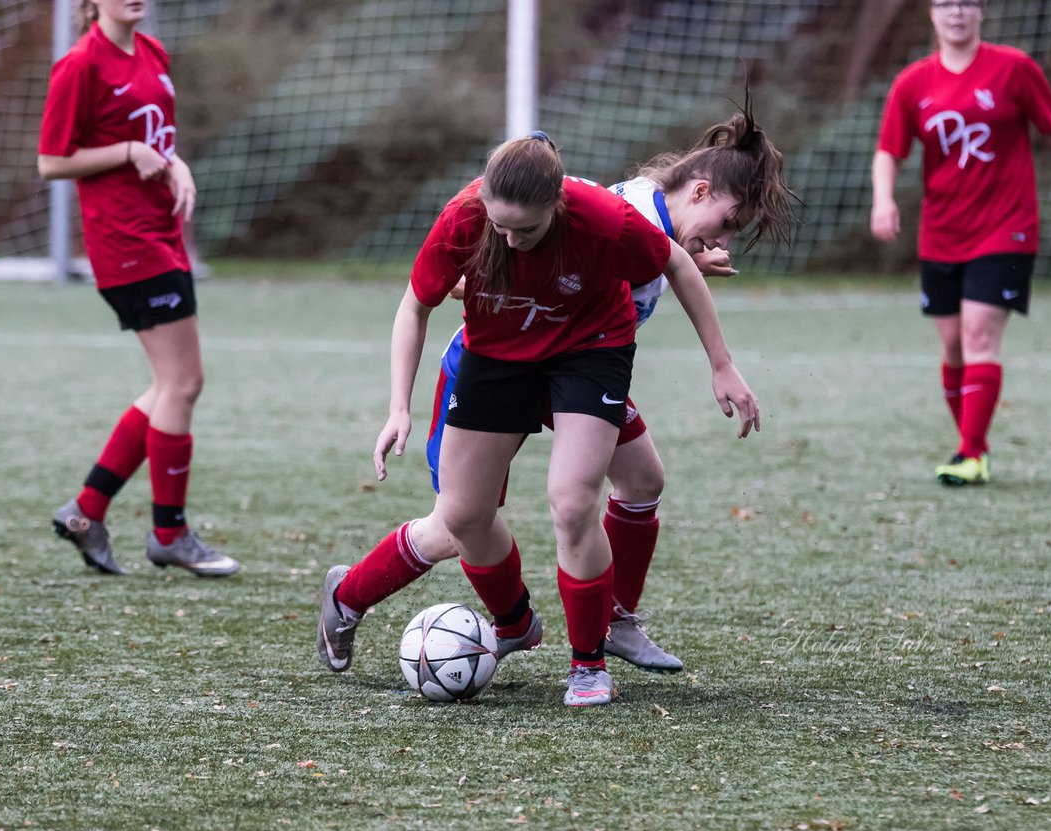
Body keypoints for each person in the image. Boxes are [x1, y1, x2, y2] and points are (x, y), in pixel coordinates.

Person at [318, 113, 795, 682]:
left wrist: (697, 280)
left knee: (639, 481)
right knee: (458, 525)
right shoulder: (620, 215)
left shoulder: (632, 210)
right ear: (698, 191)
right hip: (497, 362)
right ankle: (351, 595)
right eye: (727, 221)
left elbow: (646, 261)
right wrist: (401, 405)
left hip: (577, 364)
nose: (723, 237)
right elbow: (462, 285)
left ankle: (611, 625)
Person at [38, 0, 239, 577]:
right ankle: (169, 534)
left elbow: (158, 139)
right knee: (184, 381)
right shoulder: (80, 64)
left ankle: (85, 511)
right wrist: (129, 153)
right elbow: (51, 160)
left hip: (162, 233)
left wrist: (174, 164)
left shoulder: (151, 50)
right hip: (124, 241)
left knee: (168, 386)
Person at [871, 0, 1051, 485]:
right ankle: (973, 449)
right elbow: (889, 151)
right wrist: (883, 200)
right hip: (941, 231)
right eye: (945, 3)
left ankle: (970, 454)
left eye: (967, 3)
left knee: (980, 334)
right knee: (954, 347)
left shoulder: (1014, 68)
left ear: (981, 12)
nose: (957, 12)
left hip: (1007, 227)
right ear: (932, 15)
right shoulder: (913, 82)